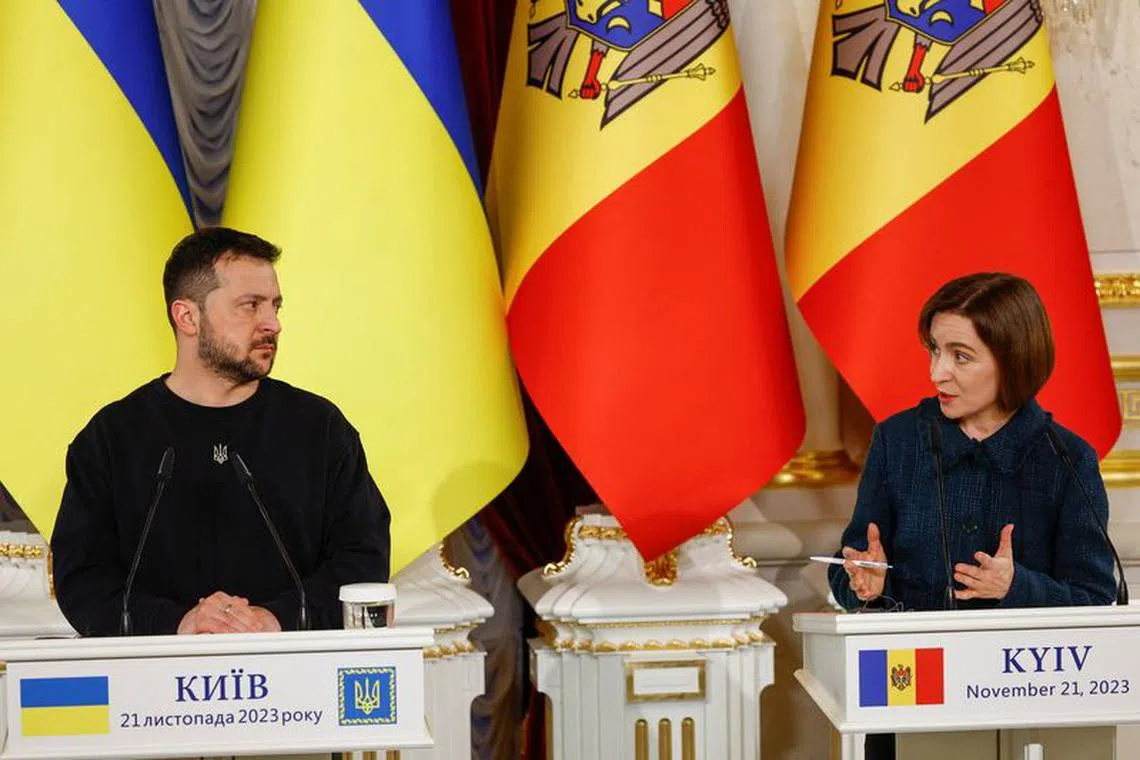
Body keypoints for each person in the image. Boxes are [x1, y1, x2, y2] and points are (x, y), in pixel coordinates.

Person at [829, 272, 1116, 760]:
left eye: (960, 356)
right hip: (911, 707)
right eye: (934, 351)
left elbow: (1094, 598)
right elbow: (852, 566)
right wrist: (864, 583)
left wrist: (1015, 587)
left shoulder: (1066, 458)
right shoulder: (898, 442)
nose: (937, 373)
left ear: (1012, 360)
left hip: (1031, 712)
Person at [52, 227, 391, 636]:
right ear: (188, 316)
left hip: (300, 683)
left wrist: (273, 620)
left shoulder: (320, 429)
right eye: (250, 306)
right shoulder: (111, 439)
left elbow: (362, 559)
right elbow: (83, 580)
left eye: (275, 306)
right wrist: (178, 624)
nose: (273, 324)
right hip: (150, 686)